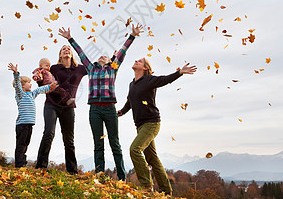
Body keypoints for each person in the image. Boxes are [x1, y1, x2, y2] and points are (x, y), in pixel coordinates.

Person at [59, 24, 144, 180]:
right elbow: (81, 53)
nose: (102, 56)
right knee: (98, 145)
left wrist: (132, 36)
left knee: (115, 144)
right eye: (100, 56)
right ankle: (100, 176)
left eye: (105, 56)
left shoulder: (113, 69)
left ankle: (121, 177)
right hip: (95, 111)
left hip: (110, 109)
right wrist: (70, 38)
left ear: (109, 60)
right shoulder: (91, 68)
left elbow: (122, 52)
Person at [118, 58, 197, 194]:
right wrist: (121, 112)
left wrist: (180, 72)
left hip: (151, 123)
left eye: (140, 61)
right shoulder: (132, 84)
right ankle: (166, 191)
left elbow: (164, 80)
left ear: (145, 68)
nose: (136, 60)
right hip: (140, 125)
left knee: (135, 149)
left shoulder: (149, 80)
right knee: (152, 159)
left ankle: (147, 186)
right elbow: (129, 102)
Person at [35, 46, 87, 174]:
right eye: (63, 49)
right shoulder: (54, 68)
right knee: (49, 133)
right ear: (60, 55)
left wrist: (111, 60)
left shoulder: (80, 69)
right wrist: (39, 80)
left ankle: (72, 171)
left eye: (68, 48)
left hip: (68, 107)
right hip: (51, 104)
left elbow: (91, 66)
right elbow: (44, 82)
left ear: (72, 54)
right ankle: (41, 167)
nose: (66, 50)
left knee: (69, 140)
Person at [8, 62, 57, 168]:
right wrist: (16, 73)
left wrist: (49, 86)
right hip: (22, 125)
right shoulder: (20, 94)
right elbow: (17, 85)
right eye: (29, 83)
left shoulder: (31, 94)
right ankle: (19, 165)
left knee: (25, 145)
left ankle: (23, 163)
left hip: (29, 125)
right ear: (22, 86)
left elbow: (39, 90)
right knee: (21, 145)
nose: (31, 84)